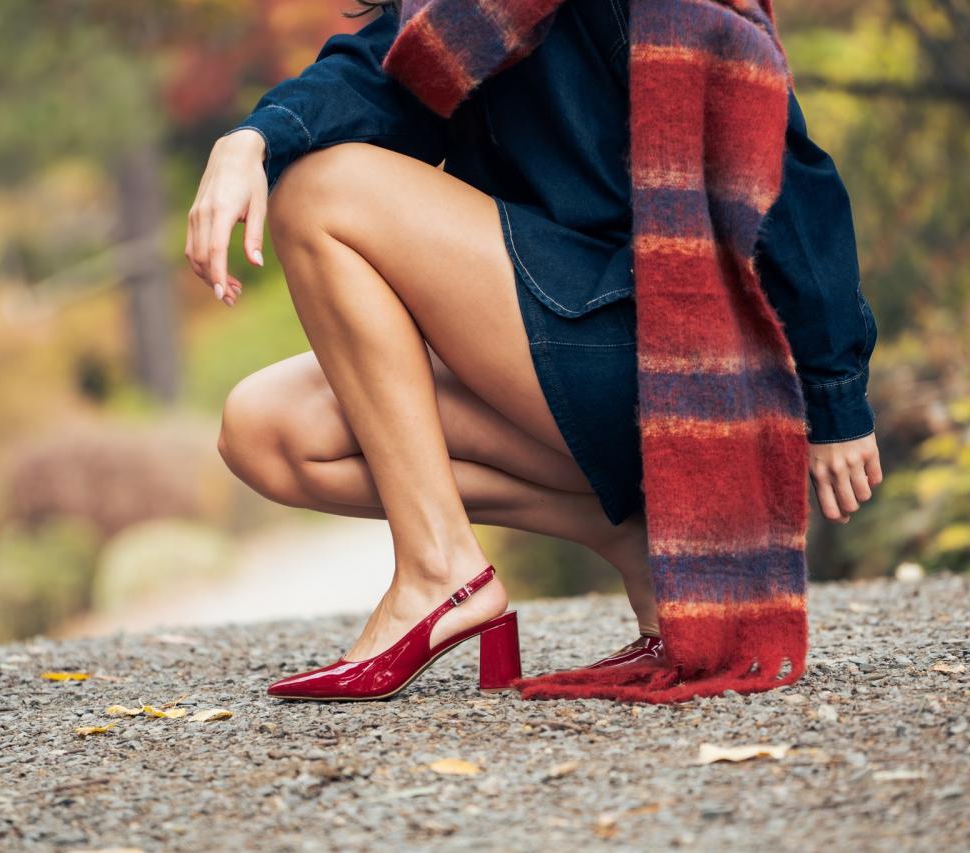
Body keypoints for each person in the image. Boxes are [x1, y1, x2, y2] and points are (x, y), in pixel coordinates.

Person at [184, 0, 883, 701]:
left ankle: (437, 570)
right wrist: (250, 140)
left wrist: (834, 397)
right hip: (568, 349)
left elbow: (783, 175)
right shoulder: (468, 16)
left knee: (320, 192)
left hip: (675, 370)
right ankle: (631, 539)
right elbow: (379, 76)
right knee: (267, 430)